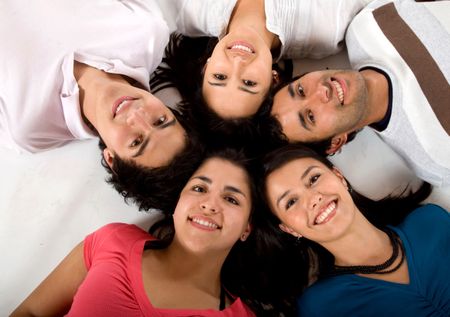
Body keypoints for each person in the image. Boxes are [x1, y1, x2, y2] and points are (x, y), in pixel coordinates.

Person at [10, 148, 271, 316]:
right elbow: (31, 312)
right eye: (200, 189)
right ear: (178, 203)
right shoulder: (114, 240)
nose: (209, 204)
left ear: (247, 228)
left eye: (232, 199)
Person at [0, 0, 204, 211]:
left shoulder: (26, 127)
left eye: (136, 141)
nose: (137, 115)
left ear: (111, 159)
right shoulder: (146, 32)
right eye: (160, 120)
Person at [270, 0, 450, 187]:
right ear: (335, 142)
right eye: (310, 116)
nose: (321, 91)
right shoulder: (435, 157)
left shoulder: (365, 27)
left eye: (300, 90)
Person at [260, 144, 449, 316]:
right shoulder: (320, 307)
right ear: (289, 229)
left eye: (314, 178)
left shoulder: (431, 221)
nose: (313, 198)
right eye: (291, 202)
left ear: (339, 176)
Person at [152, 0, 371, 140]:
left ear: (206, 66)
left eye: (220, 76)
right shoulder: (326, 29)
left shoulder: (184, 11)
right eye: (249, 83)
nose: (238, 62)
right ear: (273, 79)